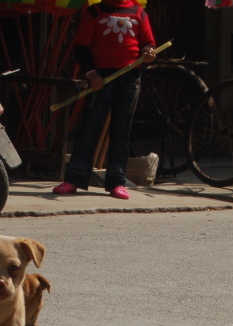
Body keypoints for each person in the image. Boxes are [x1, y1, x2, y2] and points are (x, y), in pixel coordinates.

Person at [53, 0, 156, 200]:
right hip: (101, 78)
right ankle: (73, 179)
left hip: (130, 78)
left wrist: (147, 53)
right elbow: (81, 47)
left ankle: (117, 182)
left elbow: (148, 43)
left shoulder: (139, 12)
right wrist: (92, 75)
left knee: (121, 131)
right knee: (89, 128)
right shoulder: (94, 12)